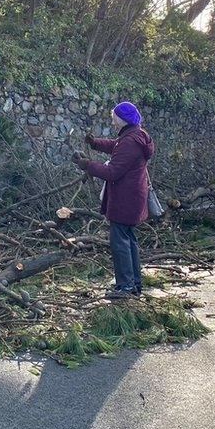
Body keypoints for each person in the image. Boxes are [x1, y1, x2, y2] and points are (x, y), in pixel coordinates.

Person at [72, 101, 155, 296]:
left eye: (114, 119)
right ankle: (134, 284)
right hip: (133, 198)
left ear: (122, 119)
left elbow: (112, 172)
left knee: (120, 243)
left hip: (126, 199)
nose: (113, 123)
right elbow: (114, 146)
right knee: (129, 240)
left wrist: (87, 164)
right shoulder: (136, 135)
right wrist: (94, 143)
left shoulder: (130, 141)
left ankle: (125, 286)